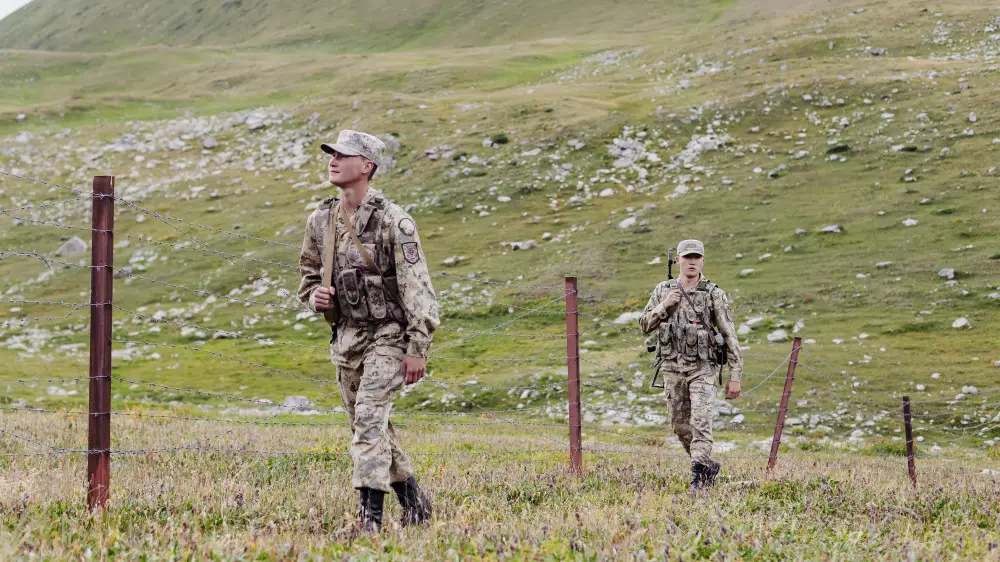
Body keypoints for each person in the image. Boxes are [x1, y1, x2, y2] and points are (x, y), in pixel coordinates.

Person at [298, 130, 439, 531]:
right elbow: (308, 277)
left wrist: (417, 347)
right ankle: (415, 504)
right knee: (370, 425)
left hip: (390, 335)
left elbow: (418, 290)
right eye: (332, 154)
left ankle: (368, 521)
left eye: (343, 155)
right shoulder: (320, 221)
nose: (333, 160)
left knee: (368, 419)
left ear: (366, 166)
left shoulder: (396, 222)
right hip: (347, 339)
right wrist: (315, 297)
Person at [639, 239, 744, 490]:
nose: (692, 262)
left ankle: (699, 478)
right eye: (687, 257)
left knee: (701, 422)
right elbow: (644, 325)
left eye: (697, 257)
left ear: (703, 261)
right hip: (671, 367)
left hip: (703, 368)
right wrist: (665, 305)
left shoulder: (713, 293)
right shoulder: (663, 290)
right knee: (679, 426)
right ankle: (706, 465)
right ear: (678, 260)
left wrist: (735, 375)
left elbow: (729, 335)